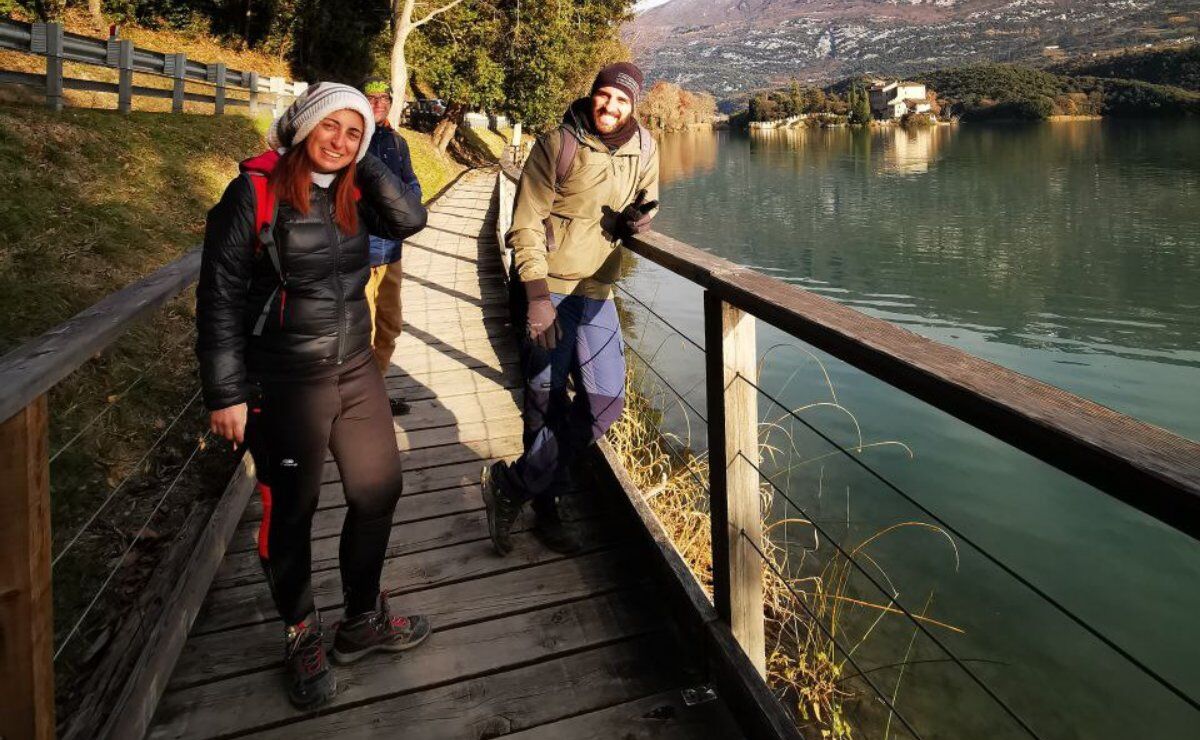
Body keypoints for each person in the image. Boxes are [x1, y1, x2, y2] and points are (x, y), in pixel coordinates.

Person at [196, 82, 430, 710]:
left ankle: (360, 618)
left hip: (355, 369)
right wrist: (226, 391)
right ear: (302, 126)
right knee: (290, 512)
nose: (340, 141)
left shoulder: (356, 186)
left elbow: (410, 217)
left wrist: (365, 151)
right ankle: (301, 632)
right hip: (285, 381)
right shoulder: (253, 192)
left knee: (379, 490)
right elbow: (218, 299)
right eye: (330, 127)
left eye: (354, 132)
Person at [482, 62, 659, 556]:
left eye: (622, 100)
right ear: (593, 93)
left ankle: (514, 485)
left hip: (597, 289)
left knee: (605, 403)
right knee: (543, 399)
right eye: (606, 95)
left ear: (633, 105)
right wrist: (536, 296)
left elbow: (651, 200)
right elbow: (525, 223)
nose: (611, 106)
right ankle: (547, 505)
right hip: (551, 291)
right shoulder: (556, 143)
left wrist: (639, 222)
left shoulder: (644, 147)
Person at [361, 78, 422, 414]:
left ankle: (374, 391)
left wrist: (411, 204)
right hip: (358, 252)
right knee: (362, 329)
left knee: (389, 326)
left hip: (391, 250)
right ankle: (359, 402)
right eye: (371, 97)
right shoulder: (353, 138)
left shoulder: (397, 142)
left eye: (384, 97)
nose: (379, 103)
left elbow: (411, 180)